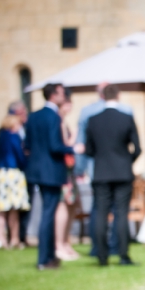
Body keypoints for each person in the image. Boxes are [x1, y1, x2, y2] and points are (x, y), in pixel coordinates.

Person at [75, 82, 134, 257]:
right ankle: (122, 253)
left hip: (99, 171)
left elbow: (88, 149)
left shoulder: (90, 116)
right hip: (122, 172)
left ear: (101, 95)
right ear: (118, 95)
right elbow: (137, 147)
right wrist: (126, 161)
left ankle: (100, 253)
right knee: (121, 213)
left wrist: (82, 167)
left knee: (100, 211)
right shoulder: (127, 115)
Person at [24, 83, 76, 270]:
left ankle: (48, 257)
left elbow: (28, 145)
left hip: (36, 171)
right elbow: (55, 146)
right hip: (51, 171)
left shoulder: (34, 116)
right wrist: (73, 148)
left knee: (46, 213)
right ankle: (44, 259)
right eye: (62, 93)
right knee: (48, 214)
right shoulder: (54, 117)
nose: (65, 96)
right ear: (54, 95)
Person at [0, 109, 30, 249]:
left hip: (1, 174)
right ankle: (14, 239)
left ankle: (0, 238)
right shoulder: (14, 137)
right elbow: (20, 156)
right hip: (13, 174)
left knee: (1, 209)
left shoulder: (1, 135)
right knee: (14, 208)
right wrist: (26, 162)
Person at [54, 93, 80, 262]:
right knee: (63, 205)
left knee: (72, 205)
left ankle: (65, 242)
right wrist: (76, 138)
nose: (70, 106)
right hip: (62, 171)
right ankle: (59, 245)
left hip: (69, 170)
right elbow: (64, 145)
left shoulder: (63, 122)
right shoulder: (59, 122)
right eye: (67, 103)